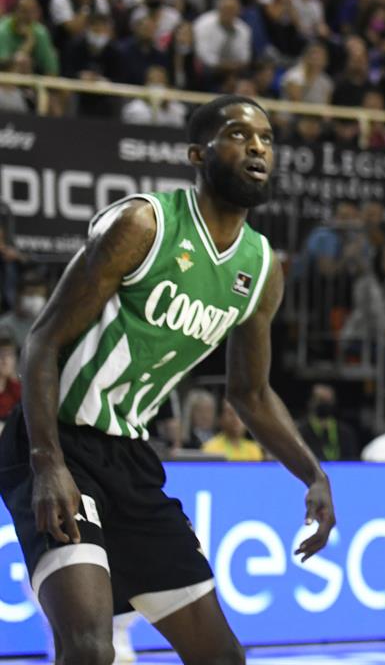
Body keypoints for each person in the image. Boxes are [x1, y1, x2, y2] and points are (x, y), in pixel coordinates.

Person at [0, 96, 335, 663]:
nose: (257, 147)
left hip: (129, 458)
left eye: (267, 139)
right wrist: (46, 462)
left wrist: (313, 473)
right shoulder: (144, 224)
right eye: (238, 134)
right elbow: (43, 341)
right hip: (57, 438)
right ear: (198, 155)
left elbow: (250, 393)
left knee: (222, 657)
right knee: (88, 649)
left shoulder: (259, 267)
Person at [296, 383, 363, 462]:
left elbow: (352, 462)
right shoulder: (300, 431)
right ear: (311, 401)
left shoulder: (346, 432)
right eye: (321, 400)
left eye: (328, 401)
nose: (324, 404)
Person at [198, 400, 264, 462]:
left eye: (241, 415)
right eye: (231, 413)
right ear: (220, 419)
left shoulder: (254, 449)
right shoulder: (210, 449)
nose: (236, 419)